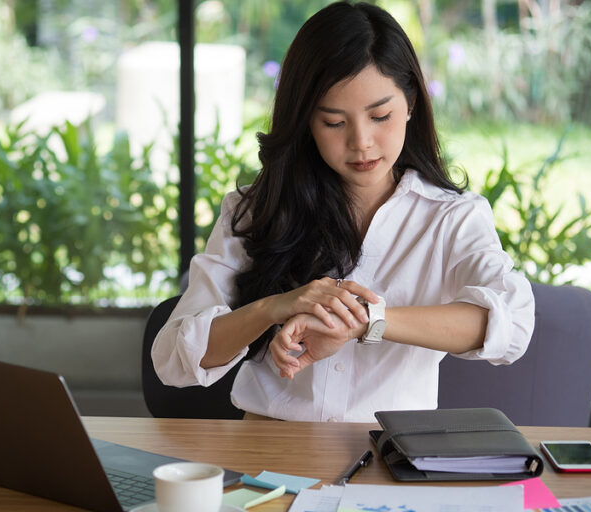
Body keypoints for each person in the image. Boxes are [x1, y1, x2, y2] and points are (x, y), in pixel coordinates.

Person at [151, 1, 535, 422]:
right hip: (267, 453)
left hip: (391, 459)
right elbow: (172, 358)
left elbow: (512, 324)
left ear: (411, 104)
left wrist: (369, 320)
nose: (362, 142)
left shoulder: (451, 218)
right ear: (306, 123)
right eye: (334, 123)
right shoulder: (256, 210)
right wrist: (272, 309)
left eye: (381, 115)